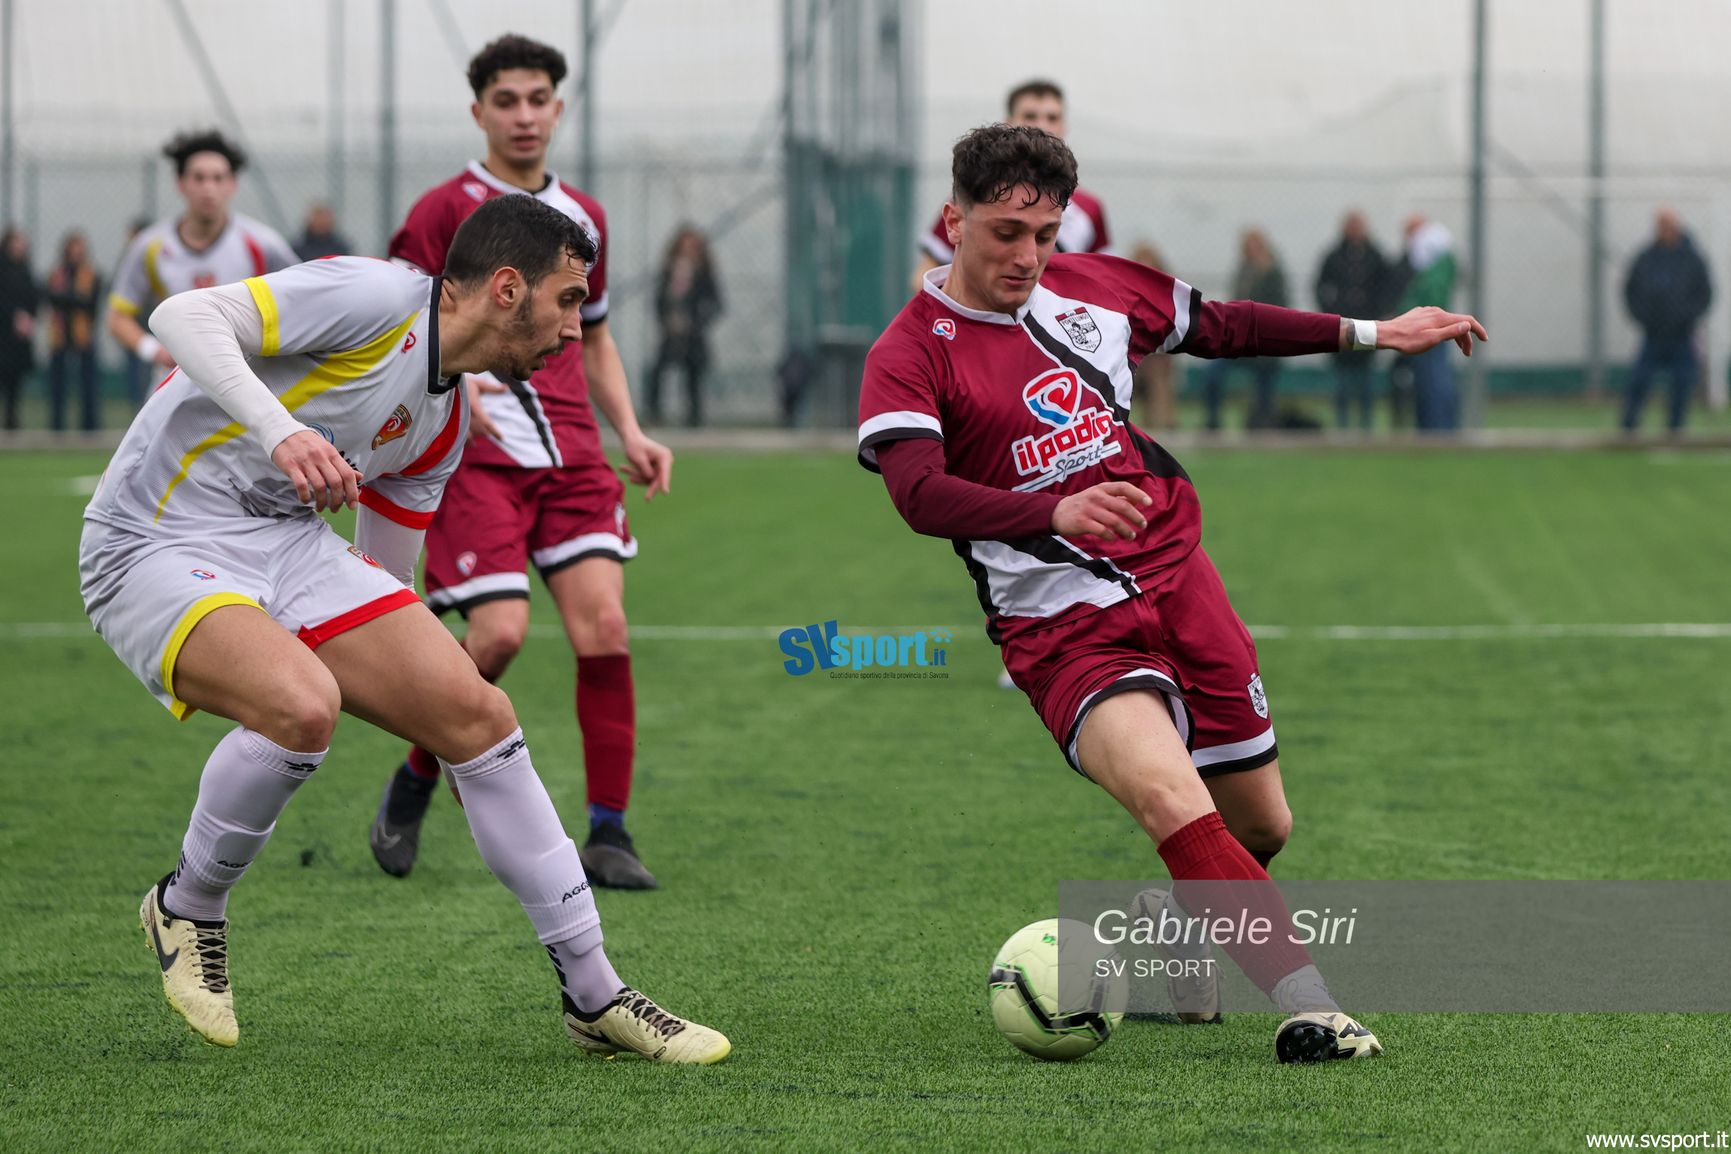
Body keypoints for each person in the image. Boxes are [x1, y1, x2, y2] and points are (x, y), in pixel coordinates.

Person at [857, 124, 1485, 1062]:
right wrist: (1053, 510)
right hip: (1061, 627)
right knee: (1168, 796)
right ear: (954, 221)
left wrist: (1372, 332)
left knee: (1261, 824)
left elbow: (1223, 325)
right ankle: (1311, 1004)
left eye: (1043, 233)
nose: (1026, 255)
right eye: (1003, 232)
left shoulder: (1097, 287)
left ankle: (1173, 926)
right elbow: (918, 494)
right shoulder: (910, 350)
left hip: (1181, 582)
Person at [81, 193, 729, 1063]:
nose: (576, 329)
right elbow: (182, 315)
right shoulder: (380, 296)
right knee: (301, 706)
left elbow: (385, 584)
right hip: (151, 537)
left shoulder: (442, 421)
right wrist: (282, 434)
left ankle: (595, 994)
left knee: (479, 716)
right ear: (507, 289)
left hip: (286, 544)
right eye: (569, 299)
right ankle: (187, 905)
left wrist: (441, 721)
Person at [372, 34, 672, 889]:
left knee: (604, 629)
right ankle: (417, 771)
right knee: (497, 637)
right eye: (506, 100)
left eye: (538, 99)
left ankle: (609, 832)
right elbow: (403, 319)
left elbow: (597, 337)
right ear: (479, 112)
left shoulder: (585, 217)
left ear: (558, 108)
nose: (524, 115)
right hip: (480, 459)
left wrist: (630, 431)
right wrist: (451, 386)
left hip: (572, 454)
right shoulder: (443, 210)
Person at [106, 130, 299, 378]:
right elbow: (117, 318)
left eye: (218, 178)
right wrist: (155, 351)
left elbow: (301, 303)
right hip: (174, 379)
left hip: (247, 378)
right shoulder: (150, 246)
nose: (209, 188)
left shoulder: (263, 244)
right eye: (199, 178)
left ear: (232, 184)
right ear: (181, 183)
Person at [913, 80, 1109, 290]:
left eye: (1052, 118)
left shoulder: (1090, 208)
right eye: (1030, 116)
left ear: (1064, 127)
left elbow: (1104, 280)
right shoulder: (975, 196)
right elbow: (923, 278)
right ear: (1008, 123)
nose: (1042, 126)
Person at [1621, 207, 1713, 433]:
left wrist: (1688, 317)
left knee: (1682, 380)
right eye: (1661, 225)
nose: (1665, 230)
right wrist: (1643, 316)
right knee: (1640, 379)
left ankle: (1675, 426)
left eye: (1669, 225)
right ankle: (1629, 425)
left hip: (1682, 334)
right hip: (1653, 333)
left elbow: (1704, 292)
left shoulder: (1692, 259)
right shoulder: (1646, 257)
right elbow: (1630, 289)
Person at [1200, 228, 1290, 431]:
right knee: (1213, 373)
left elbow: (1280, 307)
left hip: (1263, 342)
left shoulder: (1273, 273)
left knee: (1265, 377)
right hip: (1239, 340)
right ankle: (1213, 419)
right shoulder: (1242, 271)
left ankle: (1263, 420)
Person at [1314, 211, 1388, 431]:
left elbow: (1387, 286)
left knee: (1366, 382)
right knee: (1342, 383)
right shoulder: (1334, 256)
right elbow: (1320, 286)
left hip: (1369, 326)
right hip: (1341, 326)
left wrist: (1379, 311)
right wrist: (1329, 312)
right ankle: (1342, 427)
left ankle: (1366, 428)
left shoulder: (1375, 256)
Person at [644, 225, 723, 427]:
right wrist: (667, 320)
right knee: (658, 370)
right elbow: (659, 301)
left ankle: (694, 418)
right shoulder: (669, 271)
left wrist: (696, 322)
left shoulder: (704, 273)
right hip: (671, 333)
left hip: (694, 333)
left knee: (694, 374)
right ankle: (654, 413)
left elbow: (715, 303)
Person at [1387, 215, 1460, 432]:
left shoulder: (1433, 260)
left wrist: (1406, 315)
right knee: (1433, 377)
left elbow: (1429, 294)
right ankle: (1437, 426)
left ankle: (1437, 427)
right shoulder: (1441, 257)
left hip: (1428, 326)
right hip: (1430, 324)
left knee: (1433, 378)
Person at [45, 231, 104, 432]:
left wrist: (66, 299)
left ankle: (90, 425)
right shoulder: (57, 274)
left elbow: (90, 304)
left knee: (88, 382)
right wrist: (75, 299)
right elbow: (51, 298)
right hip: (60, 334)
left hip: (84, 333)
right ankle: (57, 425)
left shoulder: (91, 275)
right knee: (58, 382)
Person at [1127, 241, 1179, 431]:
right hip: (1129, 352)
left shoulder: (1166, 289)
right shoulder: (1125, 289)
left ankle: (1162, 423)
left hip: (1157, 353)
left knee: (1157, 372)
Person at [0, 226, 37, 431]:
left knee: (15, 381)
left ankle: (12, 421)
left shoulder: (25, 269)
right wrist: (14, 316)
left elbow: (32, 297)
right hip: (4, 334)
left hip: (18, 338)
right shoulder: (3, 269)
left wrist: (28, 318)